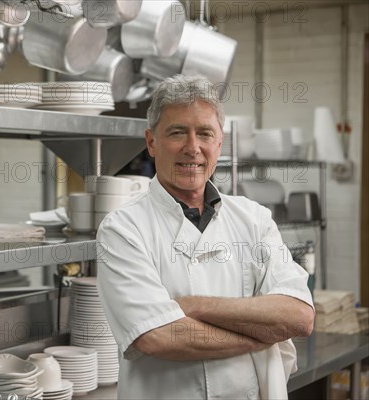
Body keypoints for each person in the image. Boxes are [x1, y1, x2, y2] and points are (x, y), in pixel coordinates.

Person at [95, 75, 315, 399]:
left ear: (219, 144)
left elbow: (299, 316)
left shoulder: (254, 219)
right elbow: (156, 336)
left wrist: (193, 306)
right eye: (177, 132)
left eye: (205, 134)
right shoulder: (122, 229)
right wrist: (262, 337)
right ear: (151, 141)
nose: (192, 148)